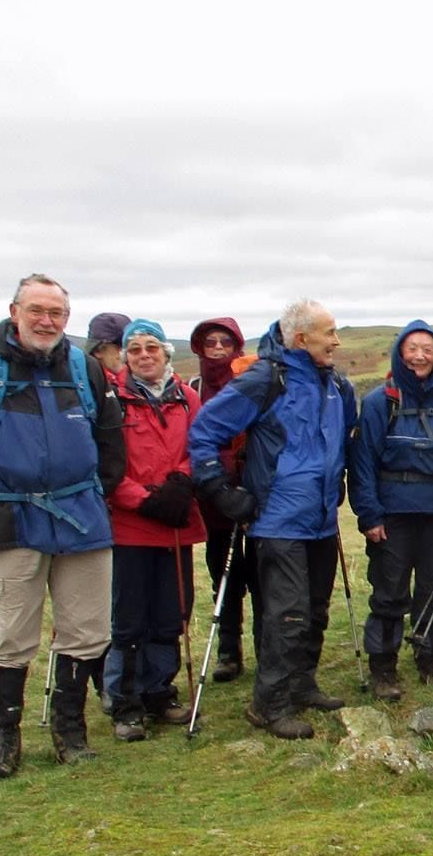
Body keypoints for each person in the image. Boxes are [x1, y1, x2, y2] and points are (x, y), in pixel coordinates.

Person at [0, 273, 125, 781]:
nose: (47, 321)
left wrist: (99, 494)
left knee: (87, 632)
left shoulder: (85, 369)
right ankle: (2, 740)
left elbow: (111, 438)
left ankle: (71, 733)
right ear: (15, 312)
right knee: (12, 635)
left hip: (82, 516)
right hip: (14, 518)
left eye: (57, 313)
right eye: (37, 311)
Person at [188, 298, 356, 739]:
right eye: (329, 332)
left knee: (315, 608)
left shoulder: (335, 383)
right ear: (301, 338)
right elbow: (205, 430)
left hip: (321, 517)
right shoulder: (266, 379)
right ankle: (269, 704)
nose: (337, 341)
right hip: (278, 519)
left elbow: (340, 439)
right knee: (287, 613)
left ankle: (301, 685)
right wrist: (220, 490)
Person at [349, 320, 433, 701]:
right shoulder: (379, 402)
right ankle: (383, 666)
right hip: (392, 515)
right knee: (389, 590)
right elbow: (363, 464)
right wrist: (369, 515)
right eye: (412, 348)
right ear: (399, 353)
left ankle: (430, 660)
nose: (419, 356)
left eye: (427, 349)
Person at [102, 319, 207, 740]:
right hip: (130, 525)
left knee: (171, 613)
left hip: (176, 522)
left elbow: (202, 445)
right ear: (125, 356)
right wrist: (143, 500)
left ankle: (160, 692)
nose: (144, 355)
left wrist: (182, 482)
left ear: (166, 353)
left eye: (151, 347)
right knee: (130, 619)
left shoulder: (188, 398)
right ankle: (125, 703)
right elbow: (106, 463)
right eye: (135, 349)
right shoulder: (111, 400)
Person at [187, 317, 251, 683]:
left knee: (261, 574)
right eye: (210, 342)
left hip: (253, 491)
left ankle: (266, 646)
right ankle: (229, 650)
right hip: (213, 497)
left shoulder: (250, 382)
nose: (217, 348)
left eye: (225, 342)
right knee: (223, 573)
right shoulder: (194, 388)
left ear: (236, 346)